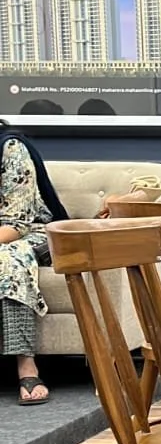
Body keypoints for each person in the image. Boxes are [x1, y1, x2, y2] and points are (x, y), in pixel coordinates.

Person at [0, 120, 68, 405]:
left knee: (7, 261)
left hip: (27, 231)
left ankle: (26, 366)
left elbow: (16, 222)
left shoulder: (11, 149)